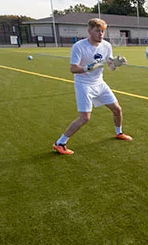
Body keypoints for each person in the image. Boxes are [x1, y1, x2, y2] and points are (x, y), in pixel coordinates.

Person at [53, 18, 132, 155]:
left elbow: (110, 65)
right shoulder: (79, 46)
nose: (101, 34)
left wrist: (116, 64)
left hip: (99, 83)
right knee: (85, 118)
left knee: (117, 109)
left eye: (102, 31)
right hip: (84, 85)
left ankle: (119, 133)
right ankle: (60, 143)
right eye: (97, 31)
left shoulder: (106, 46)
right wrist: (86, 68)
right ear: (89, 31)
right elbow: (73, 69)